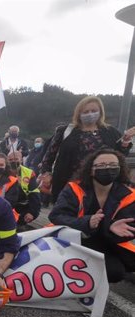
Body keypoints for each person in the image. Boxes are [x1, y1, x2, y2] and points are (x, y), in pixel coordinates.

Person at [49, 148, 135, 283]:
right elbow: (57, 216)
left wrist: (109, 228)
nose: (107, 168)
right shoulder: (73, 188)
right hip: (73, 241)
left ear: (120, 168)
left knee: (115, 273)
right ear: (90, 169)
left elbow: (130, 228)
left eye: (113, 165)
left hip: (108, 243)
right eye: (101, 165)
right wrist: (88, 222)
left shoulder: (130, 195)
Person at [41, 96, 135, 203]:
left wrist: (126, 141)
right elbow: (48, 157)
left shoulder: (111, 131)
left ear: (100, 112)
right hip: (71, 185)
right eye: (86, 111)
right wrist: (47, 174)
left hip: (103, 186)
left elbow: (119, 156)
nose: (90, 114)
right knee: (68, 215)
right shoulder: (65, 131)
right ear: (78, 113)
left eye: (94, 111)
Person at [7, 150, 40, 227]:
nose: (13, 161)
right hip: (6, 204)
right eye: (10, 160)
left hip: (21, 205)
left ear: (21, 159)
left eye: (16, 159)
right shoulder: (3, 171)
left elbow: (34, 193)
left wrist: (32, 212)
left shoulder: (29, 173)